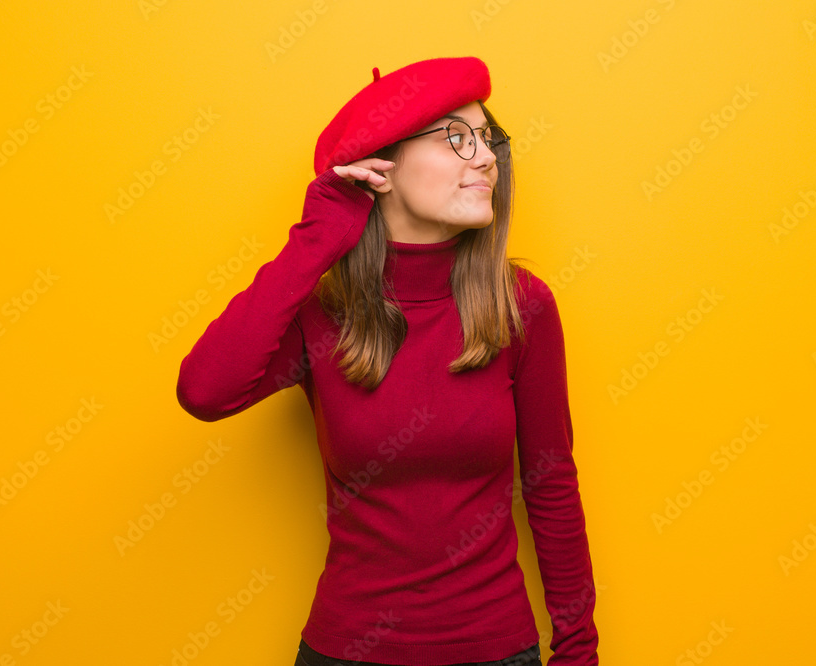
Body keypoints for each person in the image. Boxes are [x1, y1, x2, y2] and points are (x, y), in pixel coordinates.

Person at [176, 56, 598, 666]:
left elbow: (552, 486)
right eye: (456, 137)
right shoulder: (324, 311)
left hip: (497, 649)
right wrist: (318, 237)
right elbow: (205, 393)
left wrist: (578, 652)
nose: (484, 157)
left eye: (487, 138)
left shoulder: (521, 307)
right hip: (348, 651)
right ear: (383, 166)